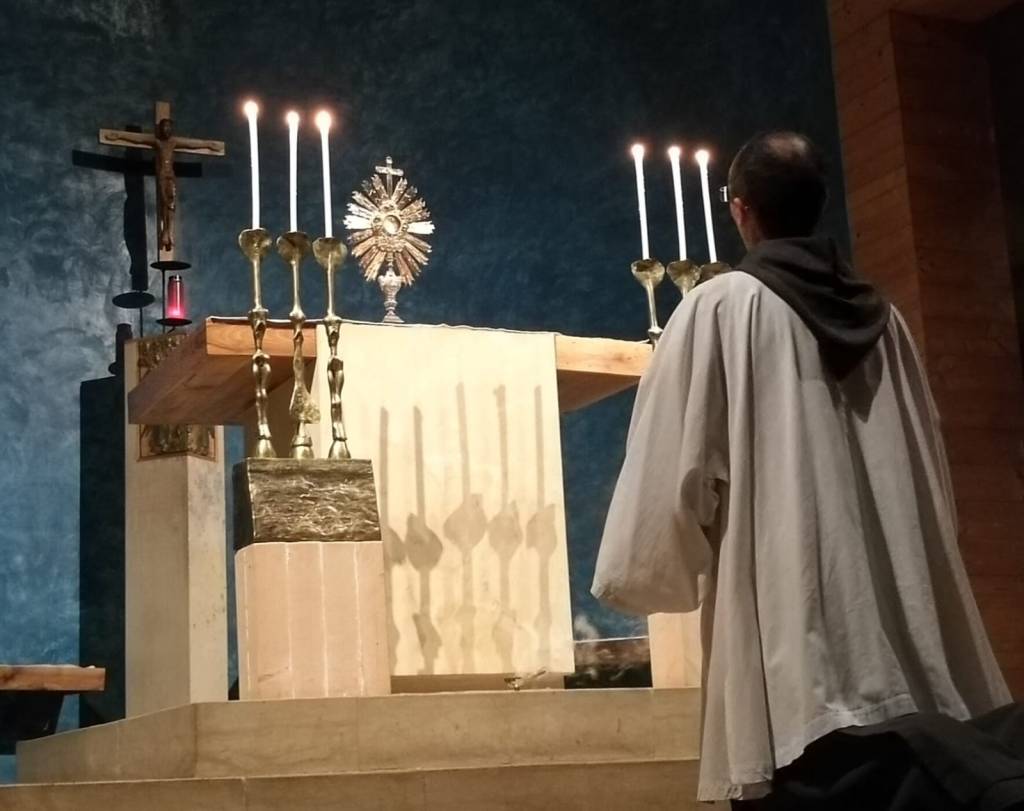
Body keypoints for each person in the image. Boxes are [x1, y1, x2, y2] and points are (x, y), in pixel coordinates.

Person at [592, 132, 1021, 808]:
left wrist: (643, 572)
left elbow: (672, 475)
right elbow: (930, 476)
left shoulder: (718, 307)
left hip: (798, 652)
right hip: (905, 634)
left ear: (741, 211)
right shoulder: (888, 322)